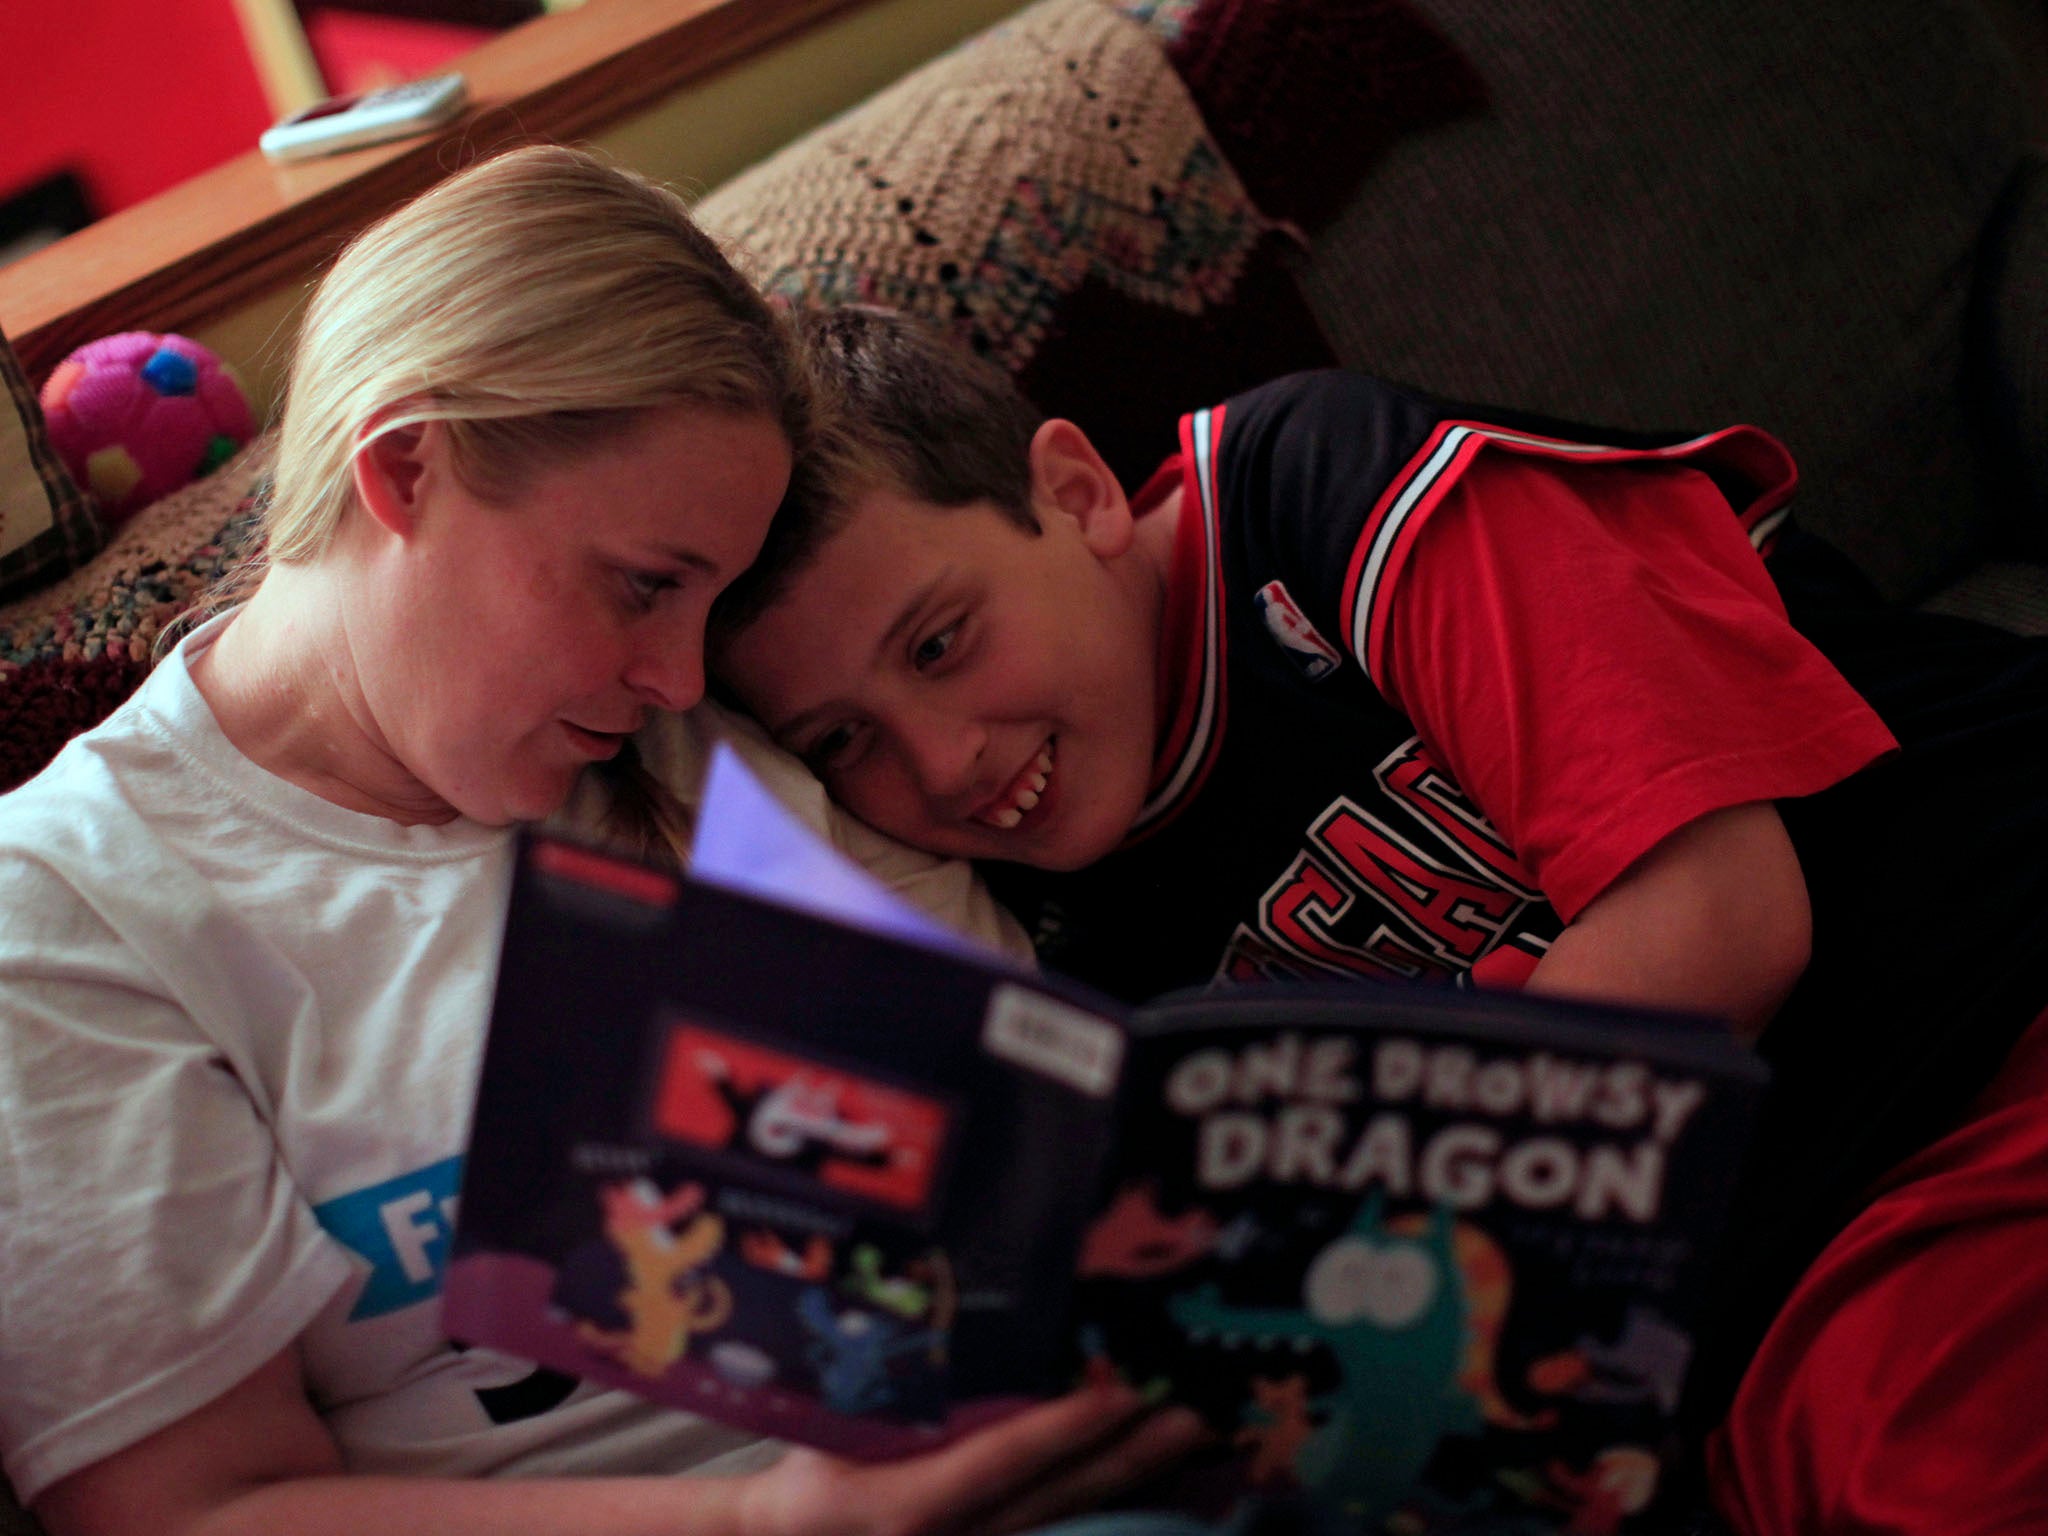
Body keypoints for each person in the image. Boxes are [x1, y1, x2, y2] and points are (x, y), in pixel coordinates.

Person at [0, 150, 1201, 1536]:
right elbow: (201, 1515)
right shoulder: (71, 913)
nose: (681, 681)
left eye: (710, 604)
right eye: (642, 587)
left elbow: (1040, 1154)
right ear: (405, 467)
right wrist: (773, 1525)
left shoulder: (709, 761)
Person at [709, 306, 2048, 1513]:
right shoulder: (1032, 913)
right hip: (1756, 1283)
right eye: (843, 743)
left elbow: (1721, 924)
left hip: (1977, 1010)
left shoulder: (1327, 488)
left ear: (1074, 493)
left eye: (942, 643)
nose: (942, 763)